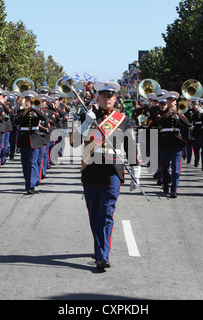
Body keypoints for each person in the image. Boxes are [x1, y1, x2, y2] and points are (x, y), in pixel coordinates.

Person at [75, 81, 140, 270]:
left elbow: (130, 145)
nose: (107, 99)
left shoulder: (122, 119)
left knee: (106, 213)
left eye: (110, 96)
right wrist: (86, 122)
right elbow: (74, 142)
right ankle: (100, 246)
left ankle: (102, 255)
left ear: (115, 98)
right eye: (103, 96)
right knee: (95, 214)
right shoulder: (87, 116)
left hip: (113, 171)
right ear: (97, 97)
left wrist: (136, 168)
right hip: (91, 169)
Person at [14, 92, 49, 195]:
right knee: (25, 163)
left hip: (35, 138)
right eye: (27, 99)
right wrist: (25, 111)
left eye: (31, 99)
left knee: (32, 162)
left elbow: (45, 119)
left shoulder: (37, 111)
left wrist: (34, 108)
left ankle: (31, 185)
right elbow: (16, 122)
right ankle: (27, 182)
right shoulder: (21, 111)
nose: (29, 101)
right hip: (24, 138)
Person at [156, 91, 190, 198]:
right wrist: (167, 114)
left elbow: (187, 123)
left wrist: (178, 114)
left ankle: (174, 189)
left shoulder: (180, 113)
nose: (171, 102)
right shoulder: (161, 112)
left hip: (176, 143)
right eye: (169, 100)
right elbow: (157, 123)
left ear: (176, 102)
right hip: (165, 143)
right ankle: (166, 183)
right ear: (166, 101)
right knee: (165, 167)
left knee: (176, 169)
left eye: (173, 100)